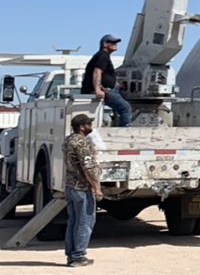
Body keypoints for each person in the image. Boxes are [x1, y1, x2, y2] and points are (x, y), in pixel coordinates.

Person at [63, 113, 102, 267]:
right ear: (81, 127)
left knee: (73, 221)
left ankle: (71, 255)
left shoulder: (69, 141)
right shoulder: (82, 143)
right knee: (85, 222)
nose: (91, 127)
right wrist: (97, 188)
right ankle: (79, 256)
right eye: (88, 124)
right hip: (82, 187)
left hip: (70, 186)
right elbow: (88, 167)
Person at [81, 35, 132, 127]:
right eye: (112, 42)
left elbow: (104, 75)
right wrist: (97, 89)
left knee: (120, 108)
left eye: (116, 43)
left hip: (110, 88)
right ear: (105, 44)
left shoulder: (102, 55)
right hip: (105, 90)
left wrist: (116, 84)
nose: (115, 44)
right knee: (126, 108)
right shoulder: (103, 55)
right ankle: (125, 130)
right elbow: (97, 72)